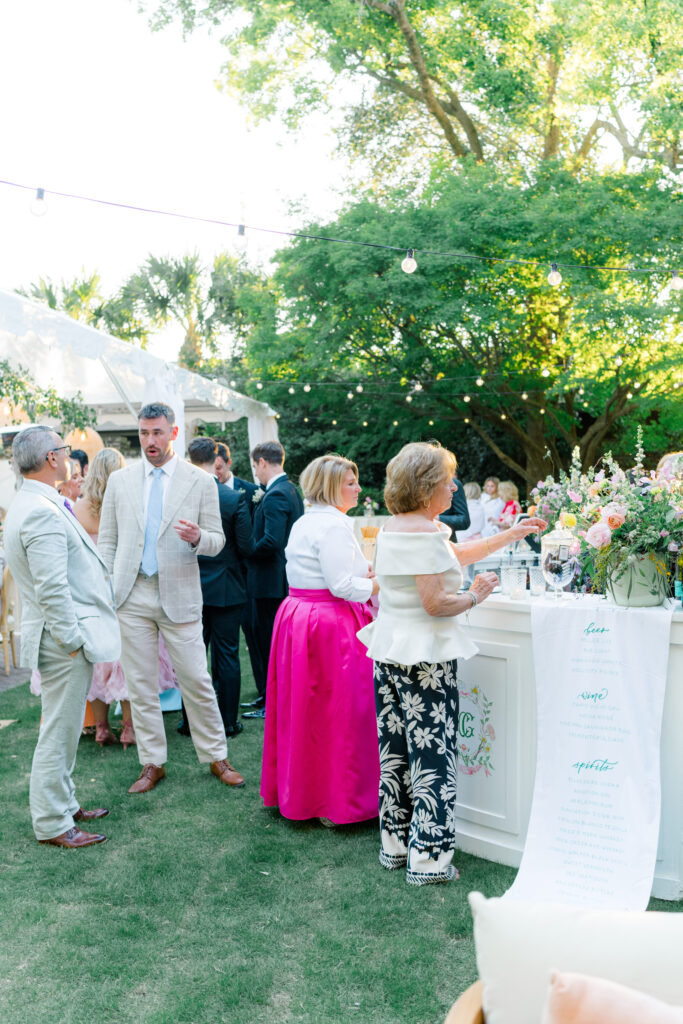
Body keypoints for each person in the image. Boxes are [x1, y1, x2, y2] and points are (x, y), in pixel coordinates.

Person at [357, 442, 546, 885]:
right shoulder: (423, 534)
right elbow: (437, 603)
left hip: (389, 651)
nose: (455, 485)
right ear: (426, 489)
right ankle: (429, 861)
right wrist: (476, 595)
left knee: (396, 751)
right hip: (425, 657)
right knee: (432, 754)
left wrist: (510, 535)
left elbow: (452, 557)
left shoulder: (396, 528)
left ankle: (397, 845)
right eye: (448, 479)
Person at [98, 401, 245, 793]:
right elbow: (108, 541)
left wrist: (199, 538)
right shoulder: (120, 481)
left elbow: (218, 540)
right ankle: (152, 763)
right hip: (132, 595)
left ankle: (217, 756)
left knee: (196, 678)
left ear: (173, 433)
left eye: (157, 432)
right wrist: (110, 587)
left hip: (179, 593)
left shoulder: (199, 482)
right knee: (141, 684)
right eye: (144, 433)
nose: (150, 440)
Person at [4, 427, 120, 847]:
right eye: (66, 450)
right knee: (58, 732)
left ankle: (65, 803)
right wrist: (73, 641)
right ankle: (54, 822)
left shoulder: (39, 502)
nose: (70, 457)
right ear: (52, 458)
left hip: (60, 638)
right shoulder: (38, 510)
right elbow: (52, 588)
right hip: (62, 641)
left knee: (67, 729)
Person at [261, 454, 380, 825]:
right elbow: (342, 585)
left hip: (299, 618)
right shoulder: (333, 526)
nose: (358, 488)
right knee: (343, 710)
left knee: (305, 709)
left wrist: (363, 571)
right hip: (330, 625)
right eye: (350, 482)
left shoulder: (305, 522)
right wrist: (379, 582)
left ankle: (305, 793)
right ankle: (338, 801)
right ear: (331, 487)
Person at [187, 436, 253, 738]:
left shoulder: (181, 499)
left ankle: (190, 723)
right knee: (227, 655)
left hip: (189, 587)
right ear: (217, 460)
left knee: (192, 656)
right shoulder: (233, 499)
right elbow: (246, 546)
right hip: (227, 587)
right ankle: (227, 722)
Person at [242, 440, 304, 720]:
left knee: (270, 644)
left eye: (256, 467)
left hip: (269, 583)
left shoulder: (277, 494)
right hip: (275, 581)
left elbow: (272, 541)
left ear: (263, 462)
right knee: (270, 642)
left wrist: (246, 552)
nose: (256, 473)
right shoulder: (290, 489)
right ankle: (269, 697)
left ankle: (273, 703)